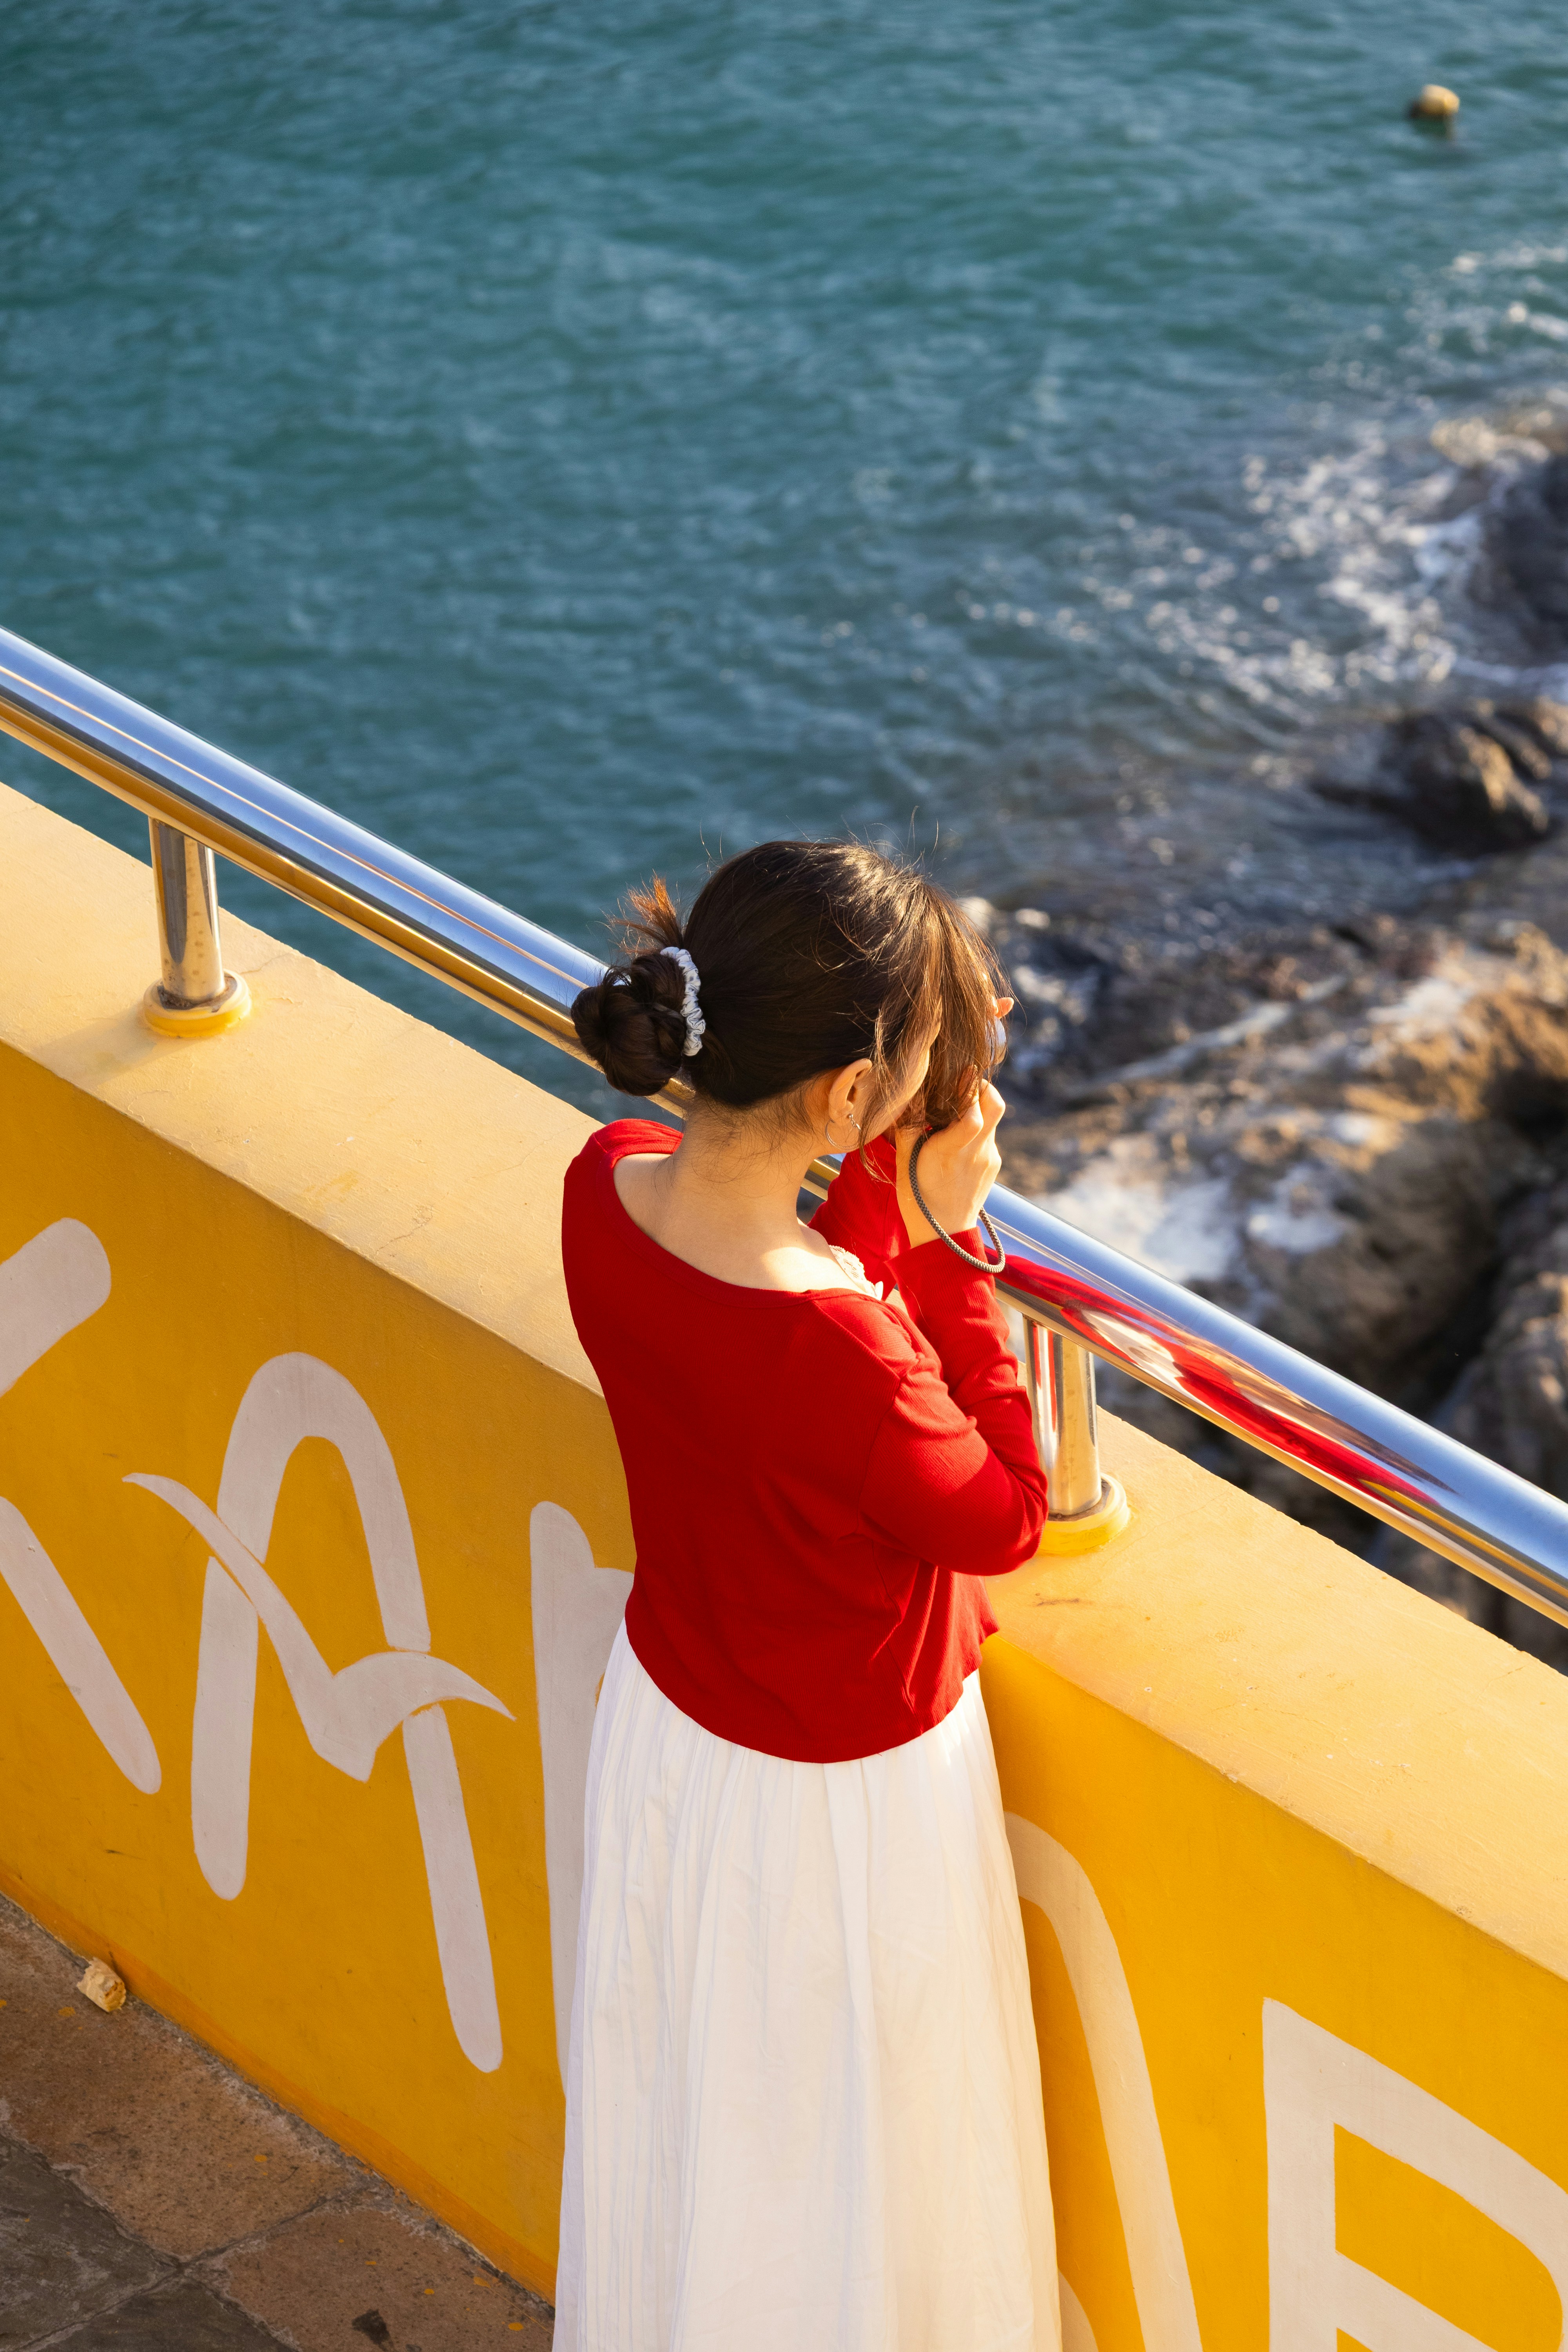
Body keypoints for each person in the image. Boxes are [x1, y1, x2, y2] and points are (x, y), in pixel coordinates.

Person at [554, 838, 1060, 2352]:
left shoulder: (607, 1189)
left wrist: (883, 1228)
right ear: (853, 1102)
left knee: (706, 2140)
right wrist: (960, 1245)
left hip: (675, 1738)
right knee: (853, 2175)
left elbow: (784, 1352)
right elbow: (1003, 1516)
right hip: (840, 1808)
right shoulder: (852, 1357)